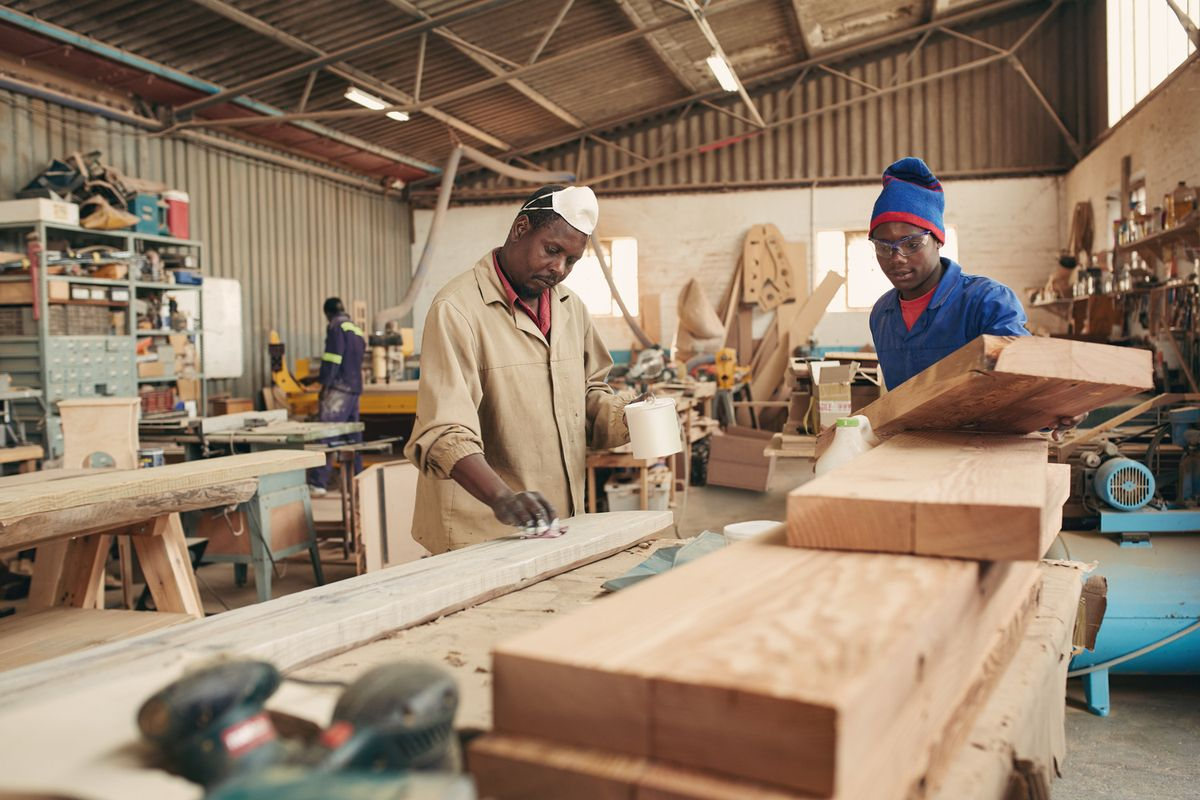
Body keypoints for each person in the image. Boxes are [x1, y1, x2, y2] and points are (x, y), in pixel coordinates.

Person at [404, 184, 631, 554]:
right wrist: (502, 498)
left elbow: (586, 398)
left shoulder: (571, 308)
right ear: (521, 228)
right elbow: (444, 432)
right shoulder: (457, 309)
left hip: (556, 526)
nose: (559, 269)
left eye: (572, 261)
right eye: (552, 250)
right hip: (478, 533)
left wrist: (630, 417)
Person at [866, 157, 1082, 434]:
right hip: (910, 450)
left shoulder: (986, 302)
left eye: (912, 244)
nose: (897, 257)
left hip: (983, 451)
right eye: (884, 247)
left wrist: (1061, 403)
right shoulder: (882, 315)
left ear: (938, 240)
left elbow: (1027, 383)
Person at [306, 297, 367, 496]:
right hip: (354, 388)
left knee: (326, 434)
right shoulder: (355, 329)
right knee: (352, 438)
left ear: (328, 313)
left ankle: (318, 483)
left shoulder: (335, 327)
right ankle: (358, 484)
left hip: (339, 389)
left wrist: (324, 384)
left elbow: (333, 359)